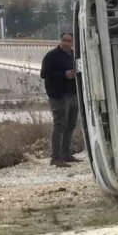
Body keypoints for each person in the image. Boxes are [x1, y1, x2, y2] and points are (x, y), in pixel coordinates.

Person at [40, 32, 79, 167]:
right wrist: (63, 75)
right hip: (58, 95)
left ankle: (66, 154)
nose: (66, 43)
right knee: (60, 125)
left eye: (69, 41)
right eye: (64, 40)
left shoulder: (74, 56)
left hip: (73, 94)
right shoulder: (52, 56)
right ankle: (56, 157)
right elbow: (44, 74)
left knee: (71, 124)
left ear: (73, 42)